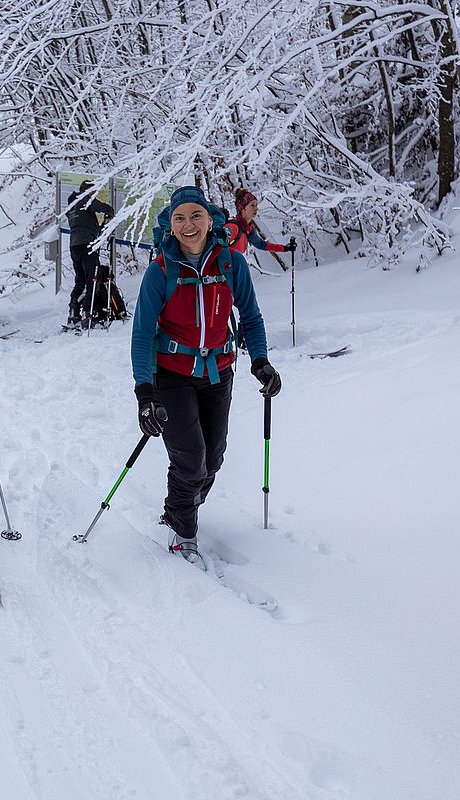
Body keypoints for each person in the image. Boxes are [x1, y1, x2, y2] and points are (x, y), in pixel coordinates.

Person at [130, 186, 282, 566]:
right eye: (180, 218)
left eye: (196, 215)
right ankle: (183, 532)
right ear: (171, 225)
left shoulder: (231, 263)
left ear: (210, 218)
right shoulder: (160, 271)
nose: (189, 225)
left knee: (213, 458)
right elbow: (142, 333)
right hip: (172, 375)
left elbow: (251, 316)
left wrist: (260, 361)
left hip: (219, 372)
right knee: (191, 460)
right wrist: (144, 393)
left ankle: (179, 504)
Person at [65, 180, 116, 326]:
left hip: (75, 245)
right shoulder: (84, 198)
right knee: (92, 279)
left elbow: (84, 225)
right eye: (94, 192)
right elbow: (101, 207)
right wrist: (110, 211)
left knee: (80, 280)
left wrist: (100, 228)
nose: (95, 195)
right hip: (87, 245)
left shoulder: (71, 204)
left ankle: (73, 311)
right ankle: (89, 313)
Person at [225, 188, 296, 260]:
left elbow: (261, 244)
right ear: (243, 208)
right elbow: (217, 245)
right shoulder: (233, 227)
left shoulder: (248, 229)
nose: (256, 209)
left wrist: (285, 248)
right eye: (252, 205)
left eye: (256, 205)